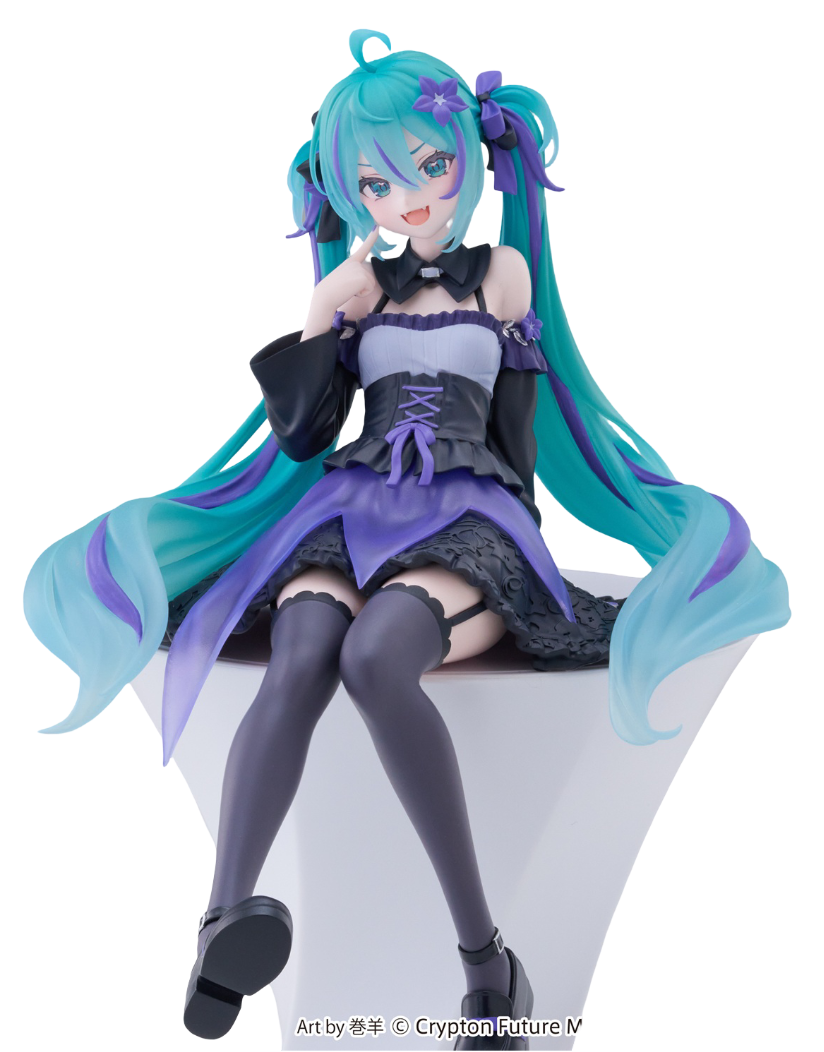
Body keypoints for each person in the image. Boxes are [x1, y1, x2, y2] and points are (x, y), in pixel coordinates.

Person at [24, 28, 790, 1048]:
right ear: (353, 196)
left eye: (430, 167)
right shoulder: (358, 290)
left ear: (469, 157)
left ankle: (485, 957)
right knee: (301, 647)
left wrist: (519, 537)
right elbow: (303, 437)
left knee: (378, 656)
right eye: (377, 183)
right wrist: (319, 318)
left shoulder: (501, 277)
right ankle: (223, 916)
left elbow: (519, 434)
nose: (410, 197)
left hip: (468, 509)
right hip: (350, 503)